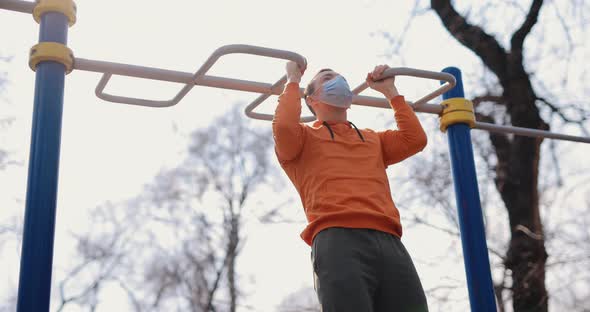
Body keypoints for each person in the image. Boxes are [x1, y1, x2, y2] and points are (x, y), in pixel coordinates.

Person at [272, 61, 429, 312]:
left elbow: (415, 139)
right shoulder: (301, 140)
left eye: (340, 76)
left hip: (389, 238)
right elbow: (282, 126)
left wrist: (391, 92)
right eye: (327, 77)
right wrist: (292, 80)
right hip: (338, 237)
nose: (337, 80)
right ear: (311, 99)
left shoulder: (371, 138)